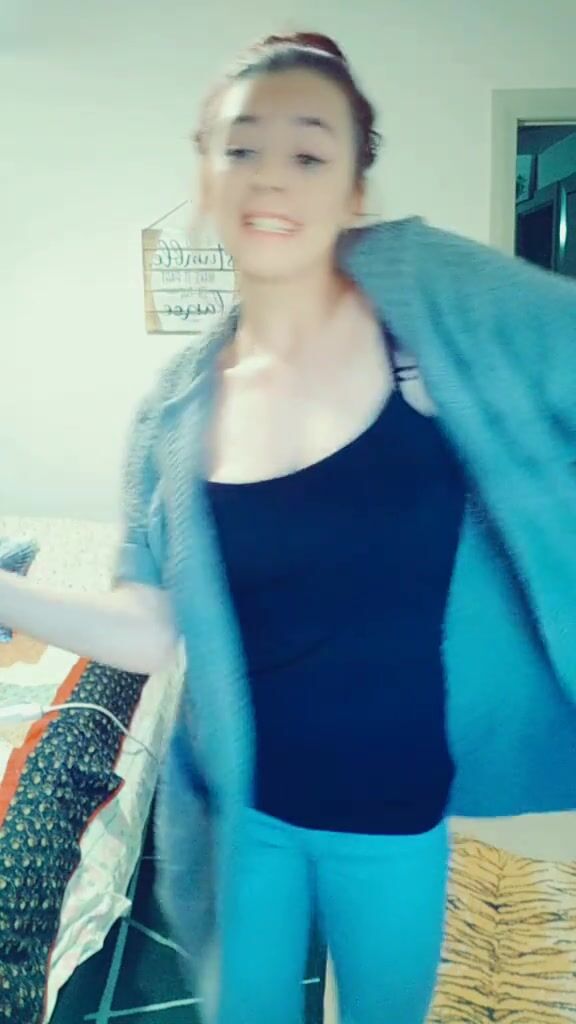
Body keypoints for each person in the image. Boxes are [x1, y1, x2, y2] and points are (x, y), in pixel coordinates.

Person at [2, 29, 576, 1024]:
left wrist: (477, 398)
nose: (271, 175)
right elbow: (149, 629)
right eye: (241, 147)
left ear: (354, 186)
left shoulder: (433, 321)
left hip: (394, 814)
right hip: (244, 821)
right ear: (207, 176)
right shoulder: (173, 412)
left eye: (309, 150)